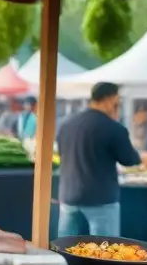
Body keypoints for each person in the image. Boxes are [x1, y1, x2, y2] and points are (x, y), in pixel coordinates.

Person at [57, 82, 141, 237]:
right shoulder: (113, 128)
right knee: (104, 253)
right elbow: (130, 160)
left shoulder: (66, 124)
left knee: (64, 249)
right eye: (117, 101)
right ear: (110, 99)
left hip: (68, 196)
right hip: (100, 198)